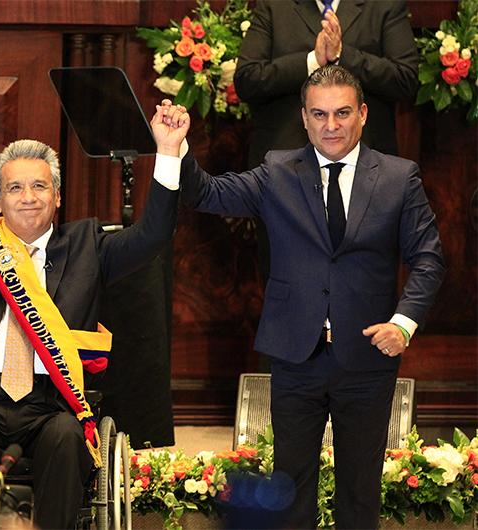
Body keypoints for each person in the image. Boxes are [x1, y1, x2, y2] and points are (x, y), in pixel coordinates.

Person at [159, 65, 444, 529]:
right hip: (295, 354)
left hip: (368, 356)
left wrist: (404, 323)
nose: (331, 125)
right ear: (304, 118)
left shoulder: (398, 177)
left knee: (360, 491)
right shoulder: (277, 171)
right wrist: (175, 148)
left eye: (342, 113)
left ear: (363, 114)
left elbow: (429, 258)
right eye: (320, 114)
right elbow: (206, 192)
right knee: (289, 491)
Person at [0, 104, 179, 529]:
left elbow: (153, 234)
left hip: (53, 404)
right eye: (15, 188)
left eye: (40, 186)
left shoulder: (88, 246)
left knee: (67, 440)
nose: (28, 197)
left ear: (57, 195)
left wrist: (169, 152)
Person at [235, 0, 419, 167]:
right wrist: (312, 61)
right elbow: (246, 79)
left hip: (366, 167)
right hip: (285, 166)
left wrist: (342, 55)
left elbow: (405, 79)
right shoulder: (274, 5)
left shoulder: (384, 5)